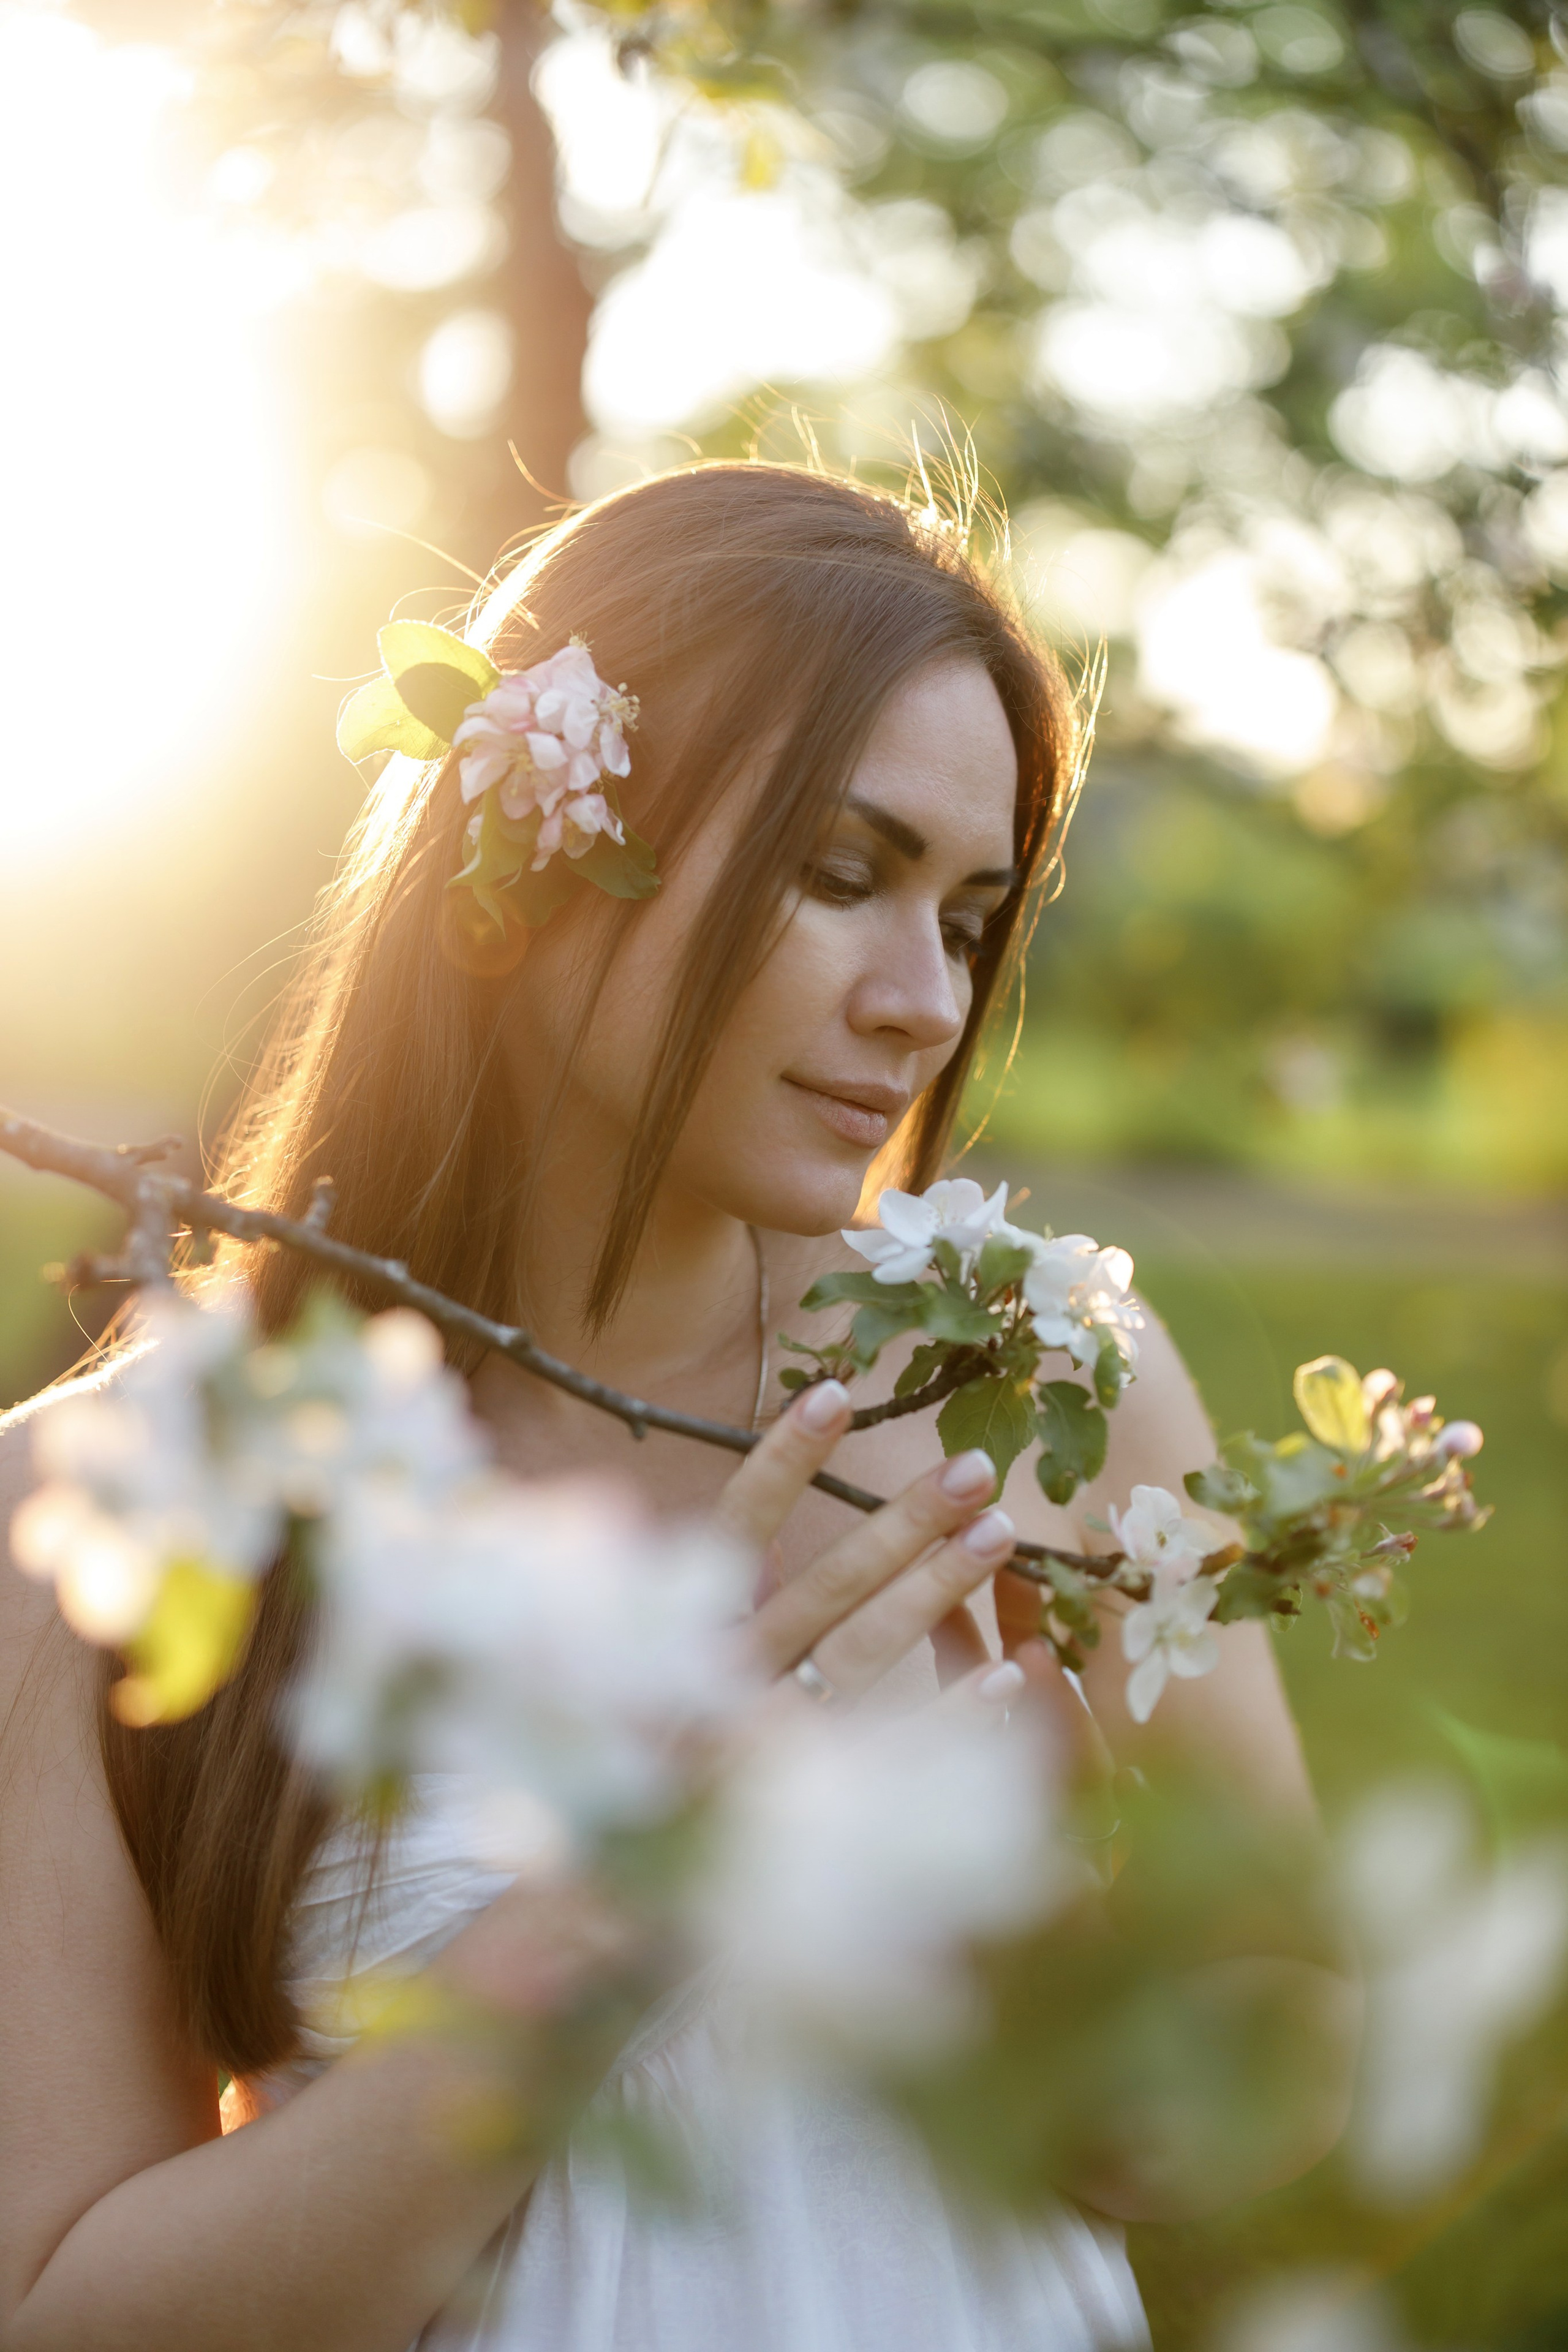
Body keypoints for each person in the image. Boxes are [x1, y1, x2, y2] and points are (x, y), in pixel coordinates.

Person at [0, 462, 1348, 2352]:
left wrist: (1028, 1951)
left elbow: (1278, 2074)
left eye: (967, 918)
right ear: (524, 871)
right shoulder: (115, 1497)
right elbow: (69, 2314)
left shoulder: (1036, 1404)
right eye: (840, 874)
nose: (924, 1007)